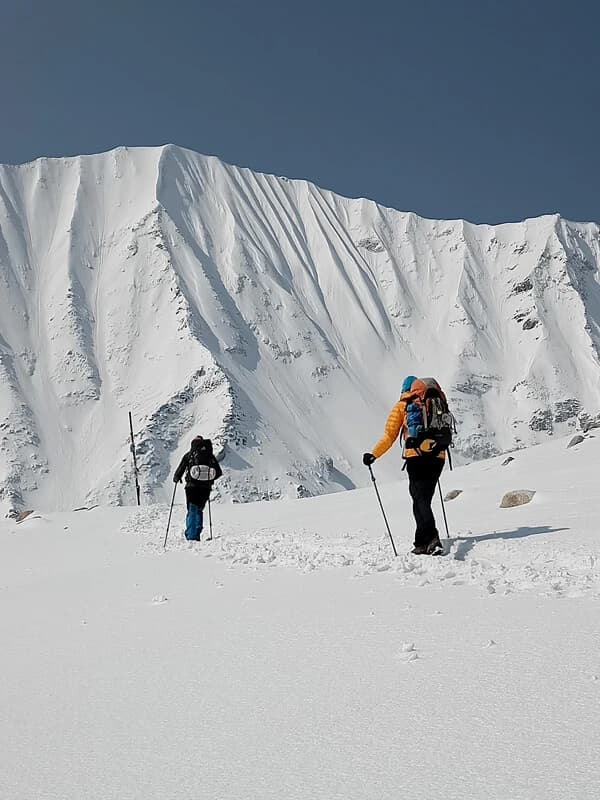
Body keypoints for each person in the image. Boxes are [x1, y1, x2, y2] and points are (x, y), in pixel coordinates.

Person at [363, 376, 451, 555]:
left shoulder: (403, 405)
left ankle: (432, 539)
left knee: (420, 498)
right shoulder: (436, 400)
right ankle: (421, 542)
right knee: (422, 498)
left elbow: (389, 436)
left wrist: (373, 454)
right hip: (438, 455)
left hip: (416, 457)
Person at [173, 436, 223, 541]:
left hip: (191, 487)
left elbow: (181, 468)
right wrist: (209, 480)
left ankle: (191, 535)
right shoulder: (209, 456)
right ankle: (197, 533)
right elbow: (218, 472)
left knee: (192, 509)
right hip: (205, 488)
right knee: (199, 509)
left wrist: (177, 478)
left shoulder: (189, 455)